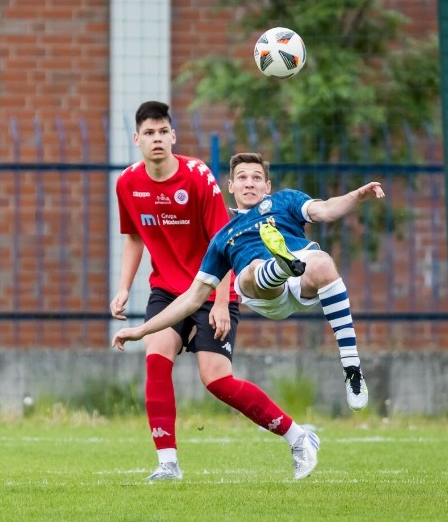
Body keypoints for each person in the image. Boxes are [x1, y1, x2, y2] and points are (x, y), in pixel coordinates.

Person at [114, 152, 385, 478]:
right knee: (250, 273)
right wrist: (141, 330)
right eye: (242, 177)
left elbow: (325, 209)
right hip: (266, 292)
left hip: (302, 274)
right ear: (231, 186)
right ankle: (277, 265)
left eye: (256, 177)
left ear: (267, 185)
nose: (249, 182)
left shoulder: (285, 201)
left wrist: (357, 195)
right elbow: (191, 299)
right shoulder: (224, 237)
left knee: (324, 262)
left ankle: (352, 367)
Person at [112, 101, 315, 481]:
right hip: (167, 290)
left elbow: (227, 242)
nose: (157, 139)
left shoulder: (197, 176)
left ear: (173, 136)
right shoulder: (127, 183)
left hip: (210, 288)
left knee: (217, 381)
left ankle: (298, 436)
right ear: (137, 140)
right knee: (156, 359)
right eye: (149, 133)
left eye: (163, 132)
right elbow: (134, 237)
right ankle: (167, 464)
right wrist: (123, 288)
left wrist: (222, 300)